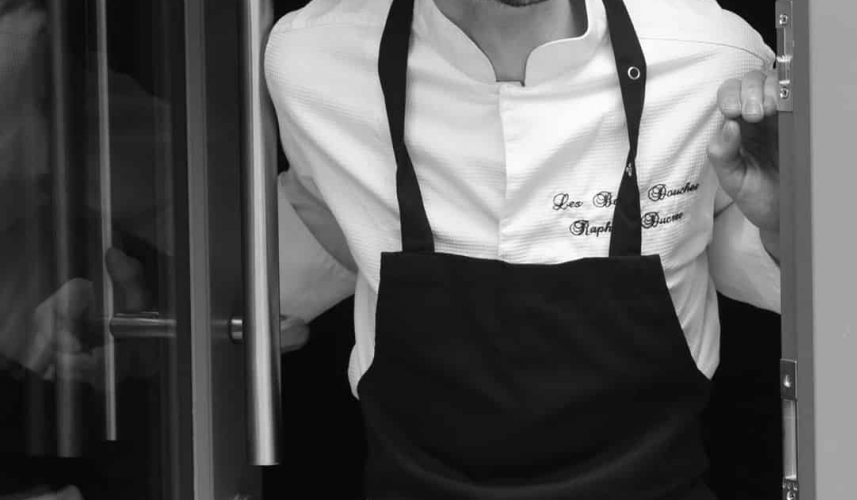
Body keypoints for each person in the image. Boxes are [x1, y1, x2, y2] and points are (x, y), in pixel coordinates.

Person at [269, 0, 781, 497]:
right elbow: (326, 214)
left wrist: (784, 219)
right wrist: (237, 328)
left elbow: (748, 245)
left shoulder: (717, 60)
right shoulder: (314, 63)